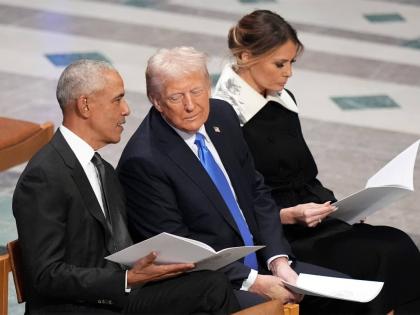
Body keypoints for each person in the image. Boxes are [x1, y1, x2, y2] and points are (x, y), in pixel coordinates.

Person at [117, 46, 364, 314]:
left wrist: (278, 260)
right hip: (214, 280)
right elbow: (179, 249)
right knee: (272, 308)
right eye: (176, 97)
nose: (190, 105)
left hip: (261, 259)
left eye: (197, 91)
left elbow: (256, 192)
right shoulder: (144, 161)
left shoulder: (221, 114)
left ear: (208, 87)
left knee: (348, 294)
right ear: (156, 100)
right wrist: (254, 281)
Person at [213, 9, 420, 314]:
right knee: (380, 255)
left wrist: (340, 205)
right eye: (280, 64)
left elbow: (302, 173)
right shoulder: (223, 116)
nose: (289, 73)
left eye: (292, 63)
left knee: (399, 243)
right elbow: (233, 203)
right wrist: (288, 215)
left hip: (316, 219)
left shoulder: (284, 99)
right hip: (279, 237)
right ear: (246, 56)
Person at [12, 59, 240, 314]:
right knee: (211, 290)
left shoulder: (103, 169)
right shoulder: (44, 176)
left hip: (117, 297)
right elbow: (46, 275)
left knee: (211, 282)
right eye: (117, 100)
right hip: (79, 307)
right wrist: (126, 279)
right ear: (85, 105)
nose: (126, 110)